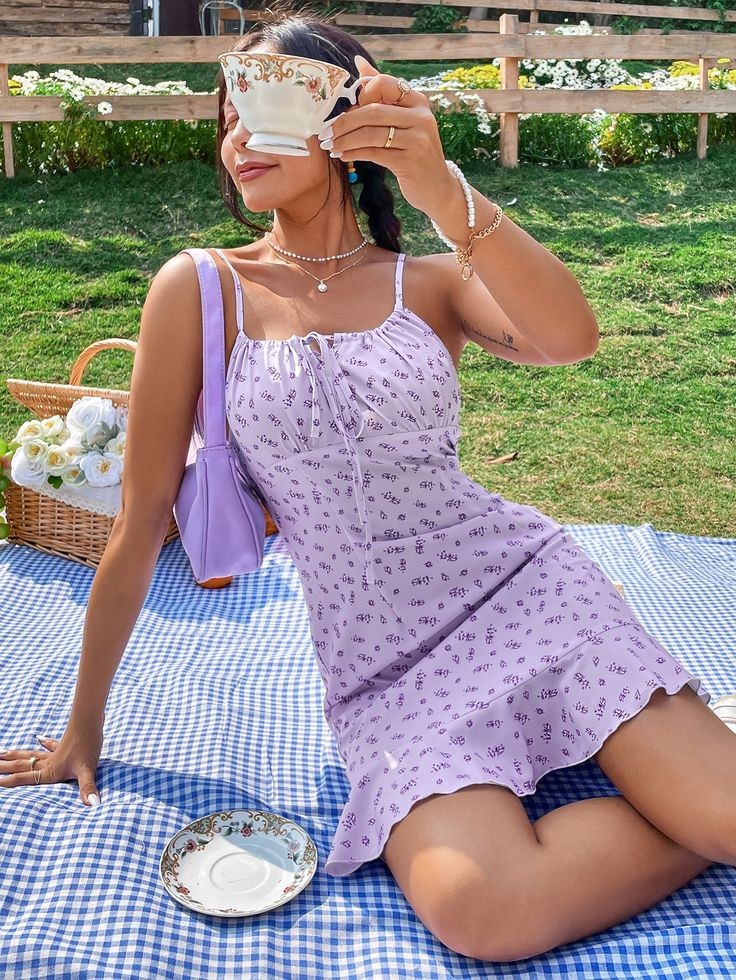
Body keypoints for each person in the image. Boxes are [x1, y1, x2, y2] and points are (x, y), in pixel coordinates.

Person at [3, 7, 734, 965]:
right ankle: (686, 785)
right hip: (386, 668)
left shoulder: (427, 281)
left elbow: (571, 338)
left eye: (266, 108)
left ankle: (699, 790)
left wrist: (441, 189)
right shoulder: (201, 288)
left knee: (726, 817)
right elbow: (139, 524)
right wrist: (81, 731)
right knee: (485, 911)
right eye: (228, 115)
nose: (238, 136)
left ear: (346, 125)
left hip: (524, 592)